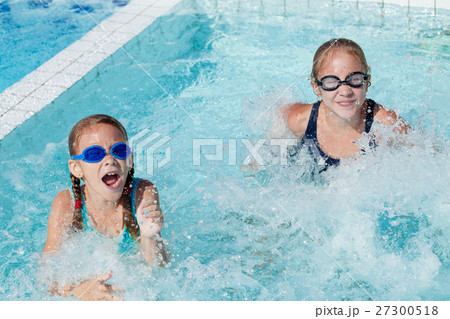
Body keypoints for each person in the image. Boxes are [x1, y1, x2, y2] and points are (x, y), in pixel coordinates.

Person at [43, 114, 166, 300]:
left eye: (118, 150)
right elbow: (46, 277)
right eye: (95, 154)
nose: (110, 159)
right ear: (77, 168)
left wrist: (150, 237)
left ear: (129, 160)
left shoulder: (142, 192)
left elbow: (159, 270)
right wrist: (78, 290)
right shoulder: (66, 204)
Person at [284, 38, 410, 172]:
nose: (345, 91)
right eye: (331, 81)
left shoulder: (386, 125)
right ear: (316, 88)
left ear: (367, 83)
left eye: (355, 79)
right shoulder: (300, 121)